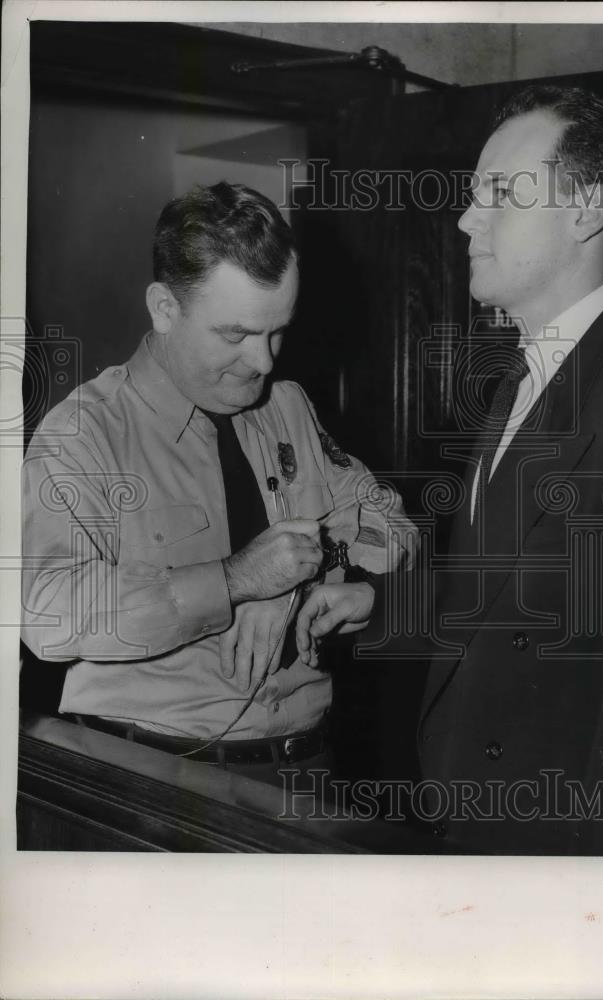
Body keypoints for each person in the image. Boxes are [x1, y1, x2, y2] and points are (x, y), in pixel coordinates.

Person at [296, 85, 603, 854]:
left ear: (586, 211)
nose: (466, 220)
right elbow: (505, 593)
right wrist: (377, 602)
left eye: (500, 195)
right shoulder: (517, 379)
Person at [21, 181, 415, 784]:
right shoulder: (84, 432)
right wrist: (235, 582)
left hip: (305, 774)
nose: (264, 362)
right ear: (164, 308)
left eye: (277, 330)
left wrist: (307, 572)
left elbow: (394, 527)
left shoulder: (288, 408)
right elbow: (46, 616)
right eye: (235, 335)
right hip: (148, 780)